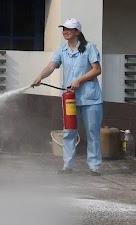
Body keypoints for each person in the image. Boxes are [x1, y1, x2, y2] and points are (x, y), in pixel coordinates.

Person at [32, 18, 103, 175]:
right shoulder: (62, 50)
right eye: (63, 29)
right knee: (69, 131)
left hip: (90, 99)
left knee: (92, 132)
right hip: (70, 98)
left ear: (77, 31)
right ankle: (68, 165)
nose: (65, 31)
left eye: (68, 29)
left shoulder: (89, 48)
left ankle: (94, 166)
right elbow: (51, 65)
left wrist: (79, 80)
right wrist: (40, 76)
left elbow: (97, 70)